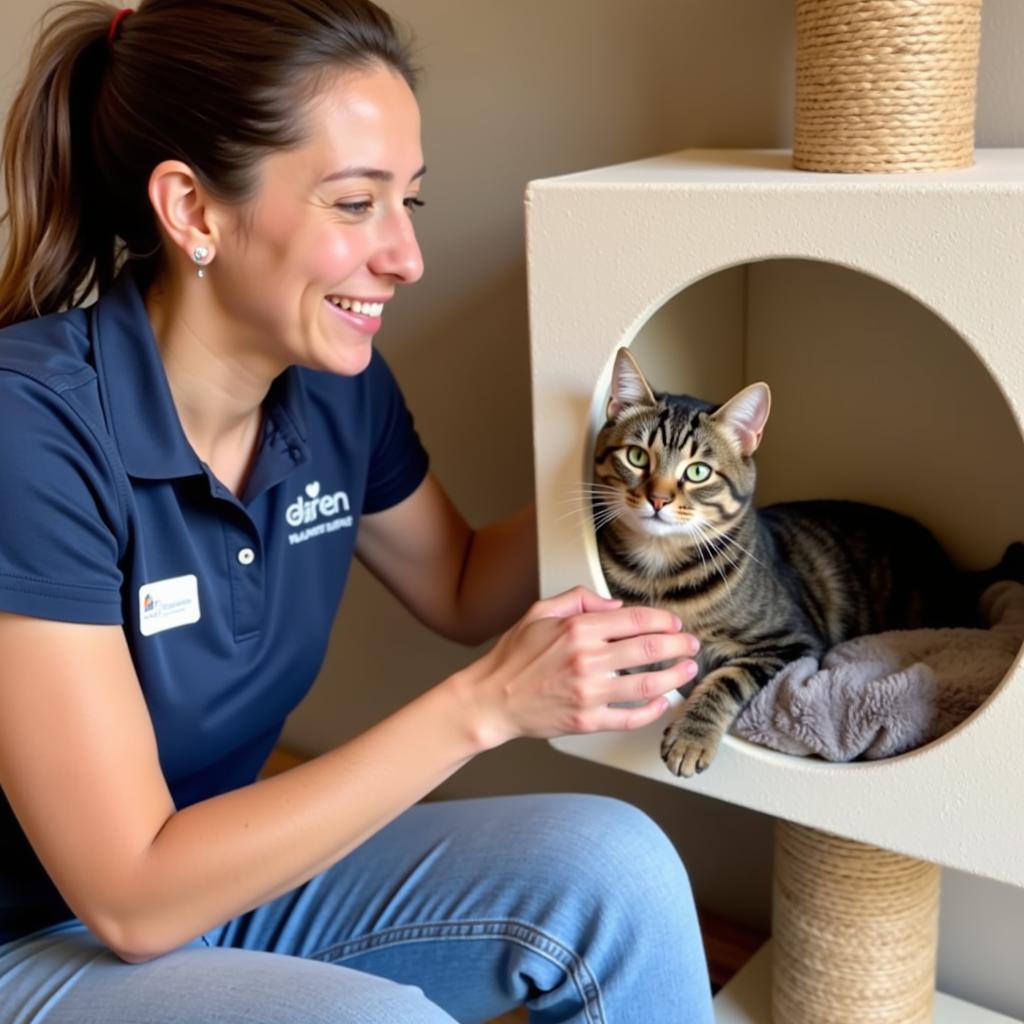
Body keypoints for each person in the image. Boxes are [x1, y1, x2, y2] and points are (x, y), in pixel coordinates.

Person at [0, 1, 715, 1021]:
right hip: (42, 931)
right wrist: (485, 706)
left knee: (619, 867)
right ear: (194, 211)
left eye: (407, 202)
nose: (405, 257)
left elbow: (463, 584)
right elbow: (129, 895)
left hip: (221, 871)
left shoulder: (335, 385)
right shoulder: (28, 427)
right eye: (352, 204)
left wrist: (634, 488)